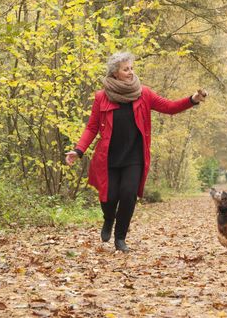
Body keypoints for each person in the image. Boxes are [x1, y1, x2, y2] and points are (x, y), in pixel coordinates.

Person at [65, 52, 207, 252]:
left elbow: (169, 107)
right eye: (126, 69)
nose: (130, 72)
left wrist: (192, 100)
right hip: (109, 158)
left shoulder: (144, 93)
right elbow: (92, 127)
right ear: (115, 73)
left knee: (128, 194)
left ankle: (120, 238)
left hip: (134, 157)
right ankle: (108, 219)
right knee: (109, 196)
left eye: (131, 68)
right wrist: (78, 150)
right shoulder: (102, 97)